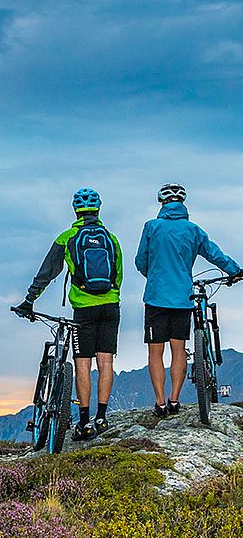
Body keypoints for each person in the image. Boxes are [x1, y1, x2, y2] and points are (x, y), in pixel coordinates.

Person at [16, 188, 123, 440]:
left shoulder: (68, 237)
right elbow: (118, 274)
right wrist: (110, 295)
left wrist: (29, 300)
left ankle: (84, 422)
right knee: (106, 361)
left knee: (82, 363)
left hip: (84, 309)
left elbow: (47, 273)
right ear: (98, 209)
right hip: (110, 305)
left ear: (76, 210)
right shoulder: (111, 238)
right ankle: (102, 418)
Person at [135, 183, 243, 417]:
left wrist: (153, 276)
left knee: (155, 352)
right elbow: (215, 254)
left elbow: (140, 261)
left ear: (162, 203)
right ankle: (175, 400)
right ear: (183, 204)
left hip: (155, 298)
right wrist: (235, 270)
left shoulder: (151, 227)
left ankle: (160, 404)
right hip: (183, 299)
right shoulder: (193, 230)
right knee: (179, 350)